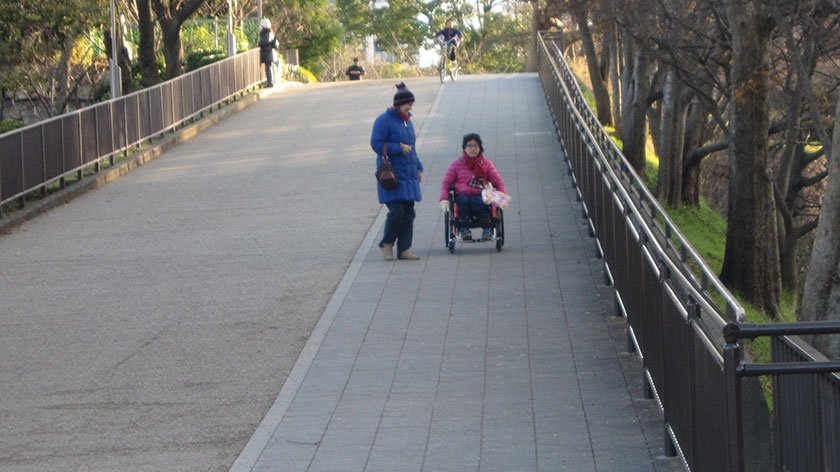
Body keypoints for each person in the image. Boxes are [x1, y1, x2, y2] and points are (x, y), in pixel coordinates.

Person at [371, 82, 425, 261]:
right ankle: (386, 244)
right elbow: (376, 144)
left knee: (409, 212)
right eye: (408, 104)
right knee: (396, 211)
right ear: (398, 104)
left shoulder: (407, 121)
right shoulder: (383, 120)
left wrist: (419, 167)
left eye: (411, 105)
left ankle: (404, 249)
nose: (410, 107)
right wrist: (398, 148)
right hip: (392, 174)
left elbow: (413, 148)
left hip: (408, 173)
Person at [439, 133, 506, 241]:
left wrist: (502, 199)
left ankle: (487, 227)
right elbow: (446, 183)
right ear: (464, 148)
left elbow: (498, 182)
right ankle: (464, 228)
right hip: (462, 196)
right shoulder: (456, 164)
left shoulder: (486, 164)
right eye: (469, 145)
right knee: (462, 200)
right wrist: (444, 199)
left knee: (477, 201)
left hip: (481, 196)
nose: (473, 149)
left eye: (475, 146)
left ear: (480, 148)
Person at [258, 18, 280, 86]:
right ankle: (271, 81)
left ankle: (270, 82)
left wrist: (259, 44)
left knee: (268, 67)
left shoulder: (265, 33)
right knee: (269, 67)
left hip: (266, 52)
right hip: (270, 52)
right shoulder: (270, 33)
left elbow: (264, 42)